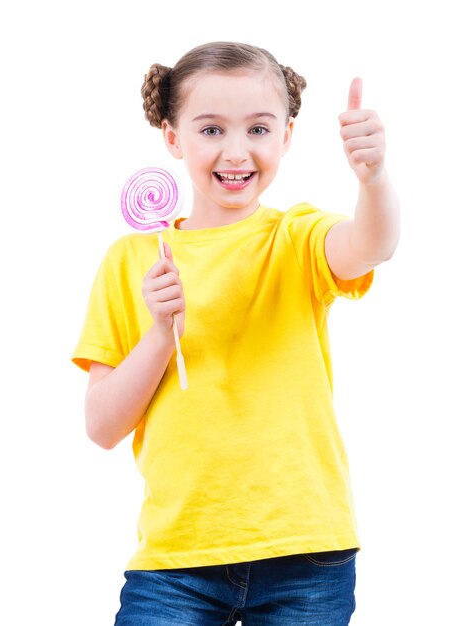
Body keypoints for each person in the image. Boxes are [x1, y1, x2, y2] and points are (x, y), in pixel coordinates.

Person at [72, 41, 400, 626]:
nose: (236, 150)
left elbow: (370, 246)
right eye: (211, 129)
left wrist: (373, 180)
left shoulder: (296, 237)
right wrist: (158, 333)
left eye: (257, 128)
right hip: (177, 561)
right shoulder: (133, 262)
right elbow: (101, 427)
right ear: (173, 137)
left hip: (305, 552)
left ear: (287, 136)